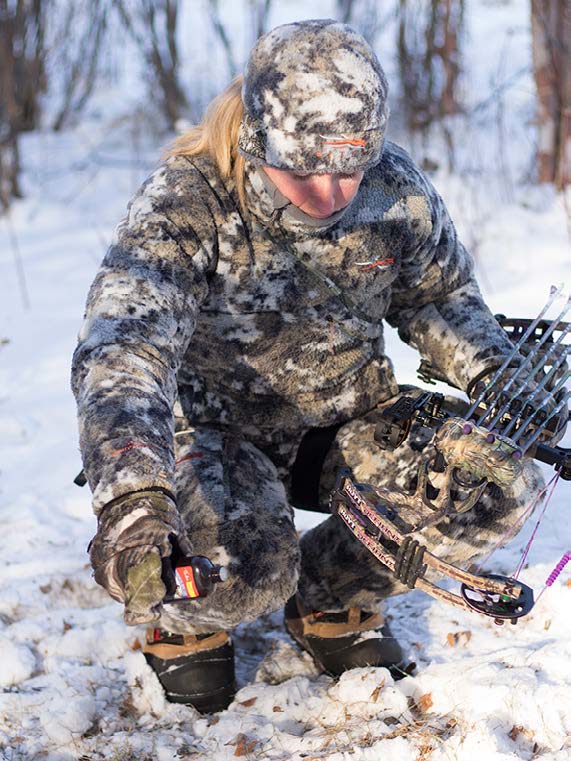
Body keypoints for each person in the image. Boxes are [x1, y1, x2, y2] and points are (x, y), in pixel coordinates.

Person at [72, 19, 545, 713]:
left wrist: (503, 383)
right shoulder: (186, 199)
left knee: (491, 482)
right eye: (303, 171)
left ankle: (329, 596)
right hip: (212, 442)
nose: (330, 194)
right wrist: (134, 503)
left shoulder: (393, 190)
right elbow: (122, 352)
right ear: (259, 139)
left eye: (348, 169)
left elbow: (438, 297)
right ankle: (183, 620)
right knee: (243, 567)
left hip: (345, 421)